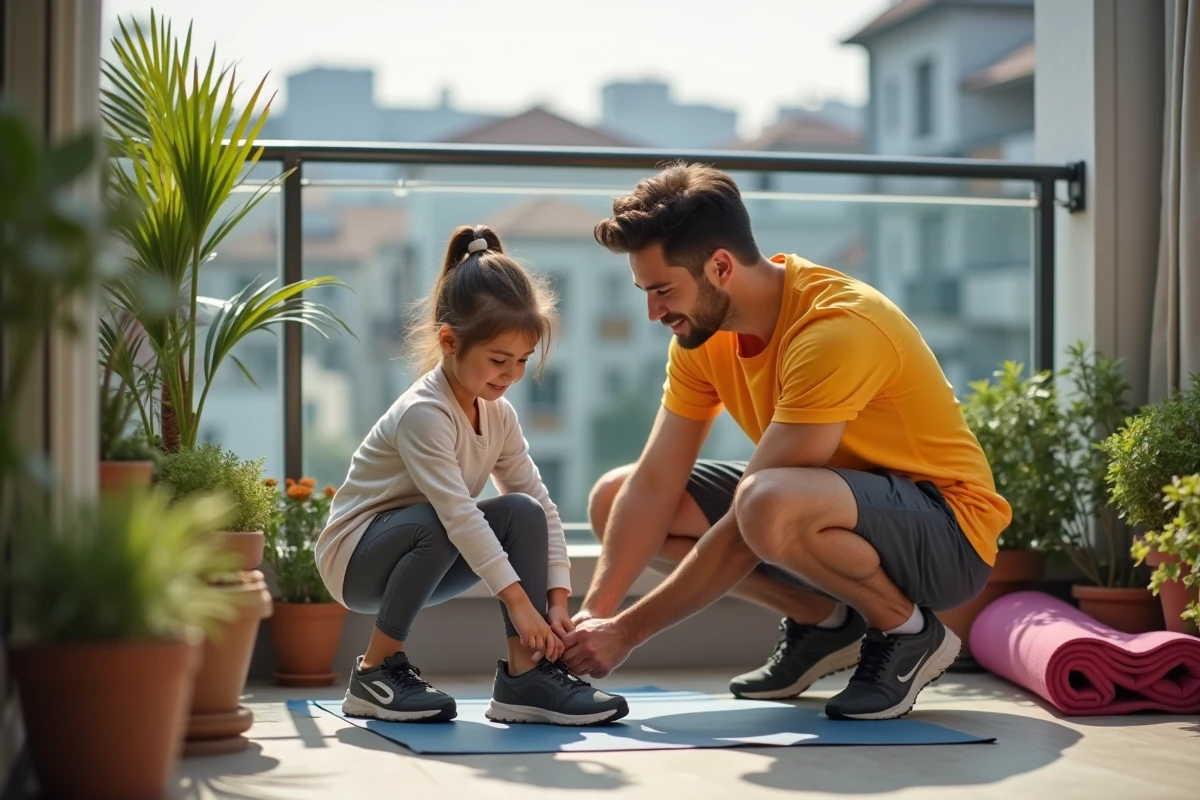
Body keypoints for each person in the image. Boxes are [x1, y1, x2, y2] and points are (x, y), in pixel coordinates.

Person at [561, 163, 1012, 721]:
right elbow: (656, 483)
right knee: (616, 496)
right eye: (646, 292)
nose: (653, 313)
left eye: (663, 291)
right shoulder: (702, 337)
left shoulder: (835, 329)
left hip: (946, 534)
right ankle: (824, 621)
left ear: (720, 266)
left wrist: (627, 632)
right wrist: (594, 618)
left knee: (766, 502)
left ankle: (907, 631)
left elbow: (752, 521)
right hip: (833, 506)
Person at [316, 225, 629, 727]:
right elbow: (458, 515)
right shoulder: (424, 413)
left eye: (523, 360)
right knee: (443, 517)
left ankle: (525, 681)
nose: (512, 375)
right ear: (449, 341)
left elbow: (539, 504)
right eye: (499, 360)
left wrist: (555, 597)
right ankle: (374, 672)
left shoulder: (498, 414)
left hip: (424, 547)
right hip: (355, 558)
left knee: (521, 512)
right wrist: (519, 606)